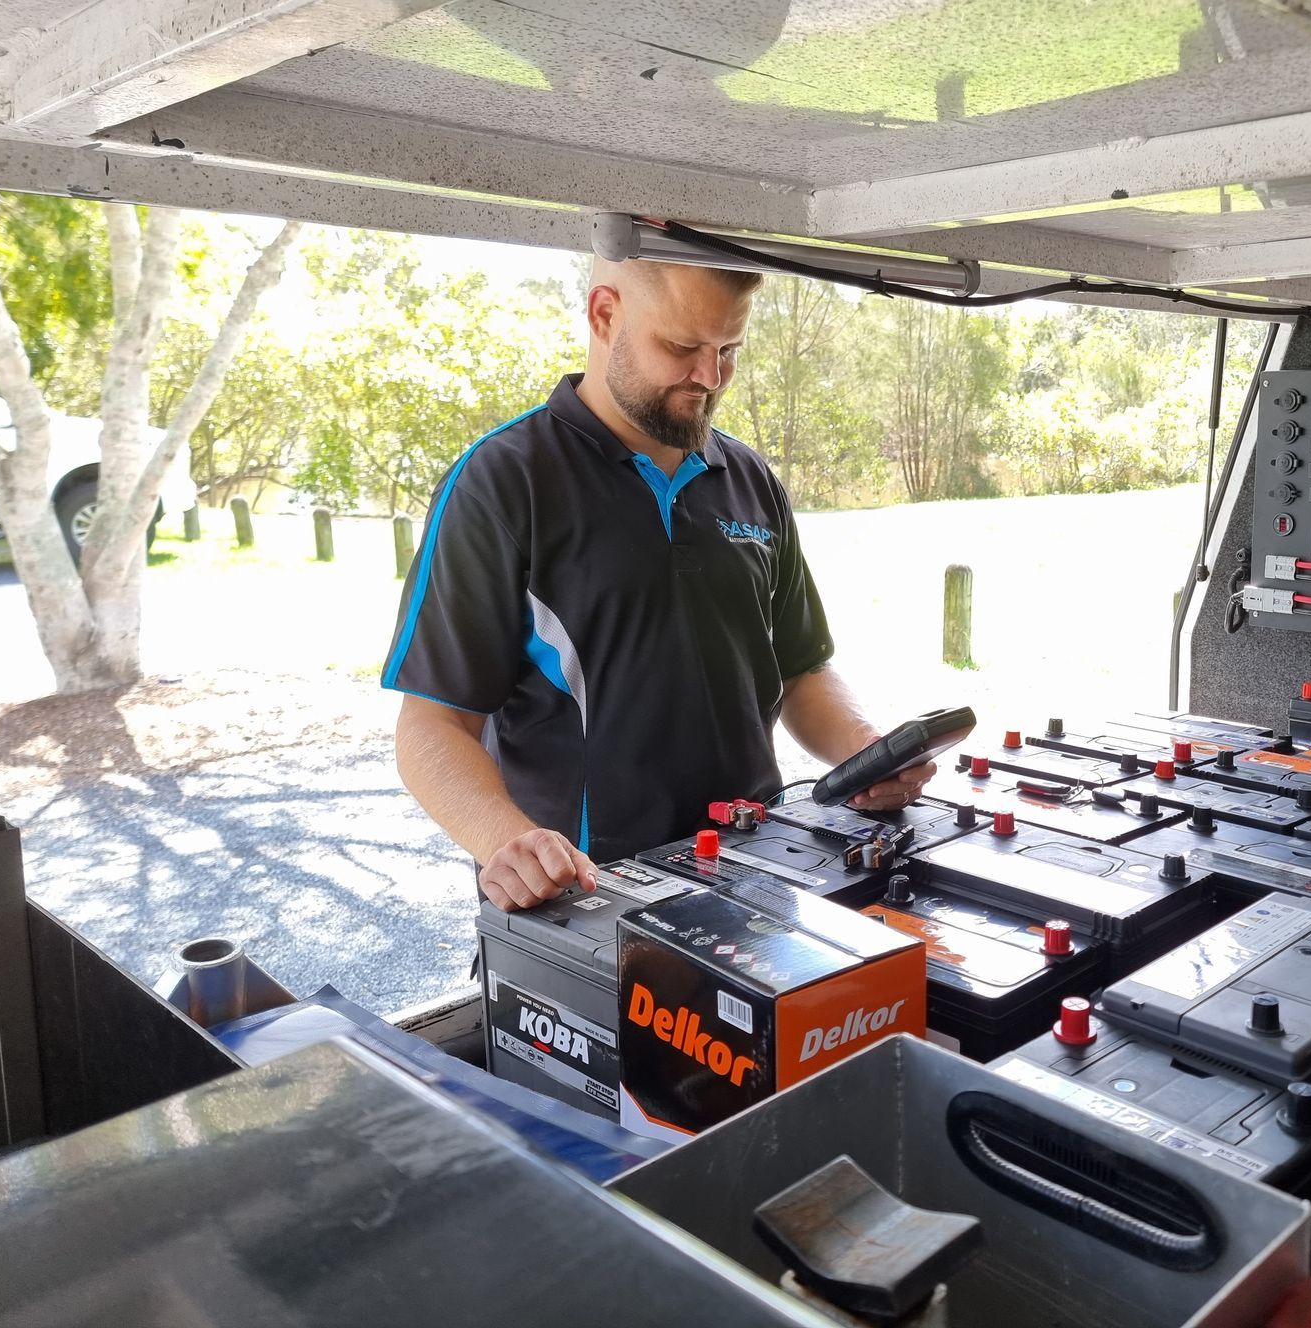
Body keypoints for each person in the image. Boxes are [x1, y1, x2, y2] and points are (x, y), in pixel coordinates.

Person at [385, 259, 933, 912]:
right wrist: (509, 840)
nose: (710, 377)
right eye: (681, 347)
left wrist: (865, 751)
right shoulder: (505, 482)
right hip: (588, 896)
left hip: (757, 875)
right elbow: (432, 723)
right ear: (604, 315)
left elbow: (800, 673)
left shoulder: (750, 478)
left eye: (727, 350)